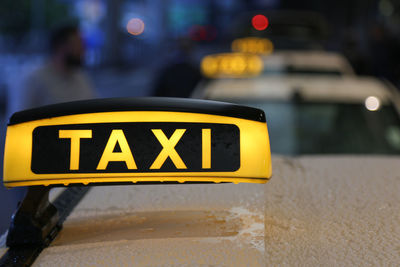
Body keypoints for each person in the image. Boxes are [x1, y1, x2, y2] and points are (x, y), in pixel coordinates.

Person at [9, 24, 96, 112]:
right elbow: (17, 120)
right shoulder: (34, 79)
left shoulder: (80, 77)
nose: (83, 49)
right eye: (78, 44)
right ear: (61, 46)